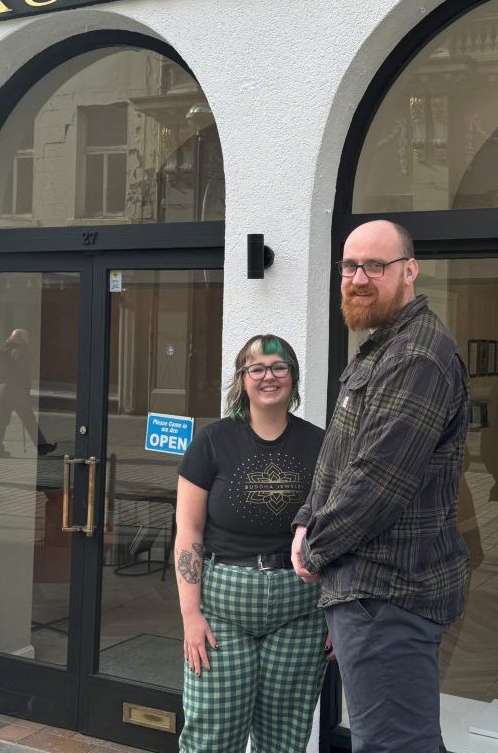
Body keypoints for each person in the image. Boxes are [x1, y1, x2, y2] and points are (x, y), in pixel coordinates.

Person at [291, 219, 470, 753]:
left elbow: (380, 480)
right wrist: (305, 517)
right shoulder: (383, 347)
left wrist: (315, 546)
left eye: (375, 265)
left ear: (410, 270)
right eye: (350, 266)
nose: (358, 277)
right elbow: (339, 456)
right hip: (371, 593)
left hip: (388, 592)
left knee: (394, 745)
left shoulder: (417, 354)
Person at [174, 334, 329, 753]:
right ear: (242, 379)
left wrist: (336, 612)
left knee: (285, 737)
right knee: (212, 735)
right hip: (223, 610)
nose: (268, 376)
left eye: (279, 367)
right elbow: (188, 532)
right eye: (256, 368)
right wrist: (190, 615)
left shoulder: (321, 445)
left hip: (300, 612)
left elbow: (337, 530)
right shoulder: (211, 442)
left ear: (293, 377)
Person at [0, 328, 56, 458]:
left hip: (6, 391)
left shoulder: (4, 350)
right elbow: (23, 375)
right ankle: (42, 447)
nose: (29, 340)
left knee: (3, 422)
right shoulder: (21, 352)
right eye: (27, 337)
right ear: (20, 338)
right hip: (18, 393)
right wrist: (26, 391)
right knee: (29, 420)